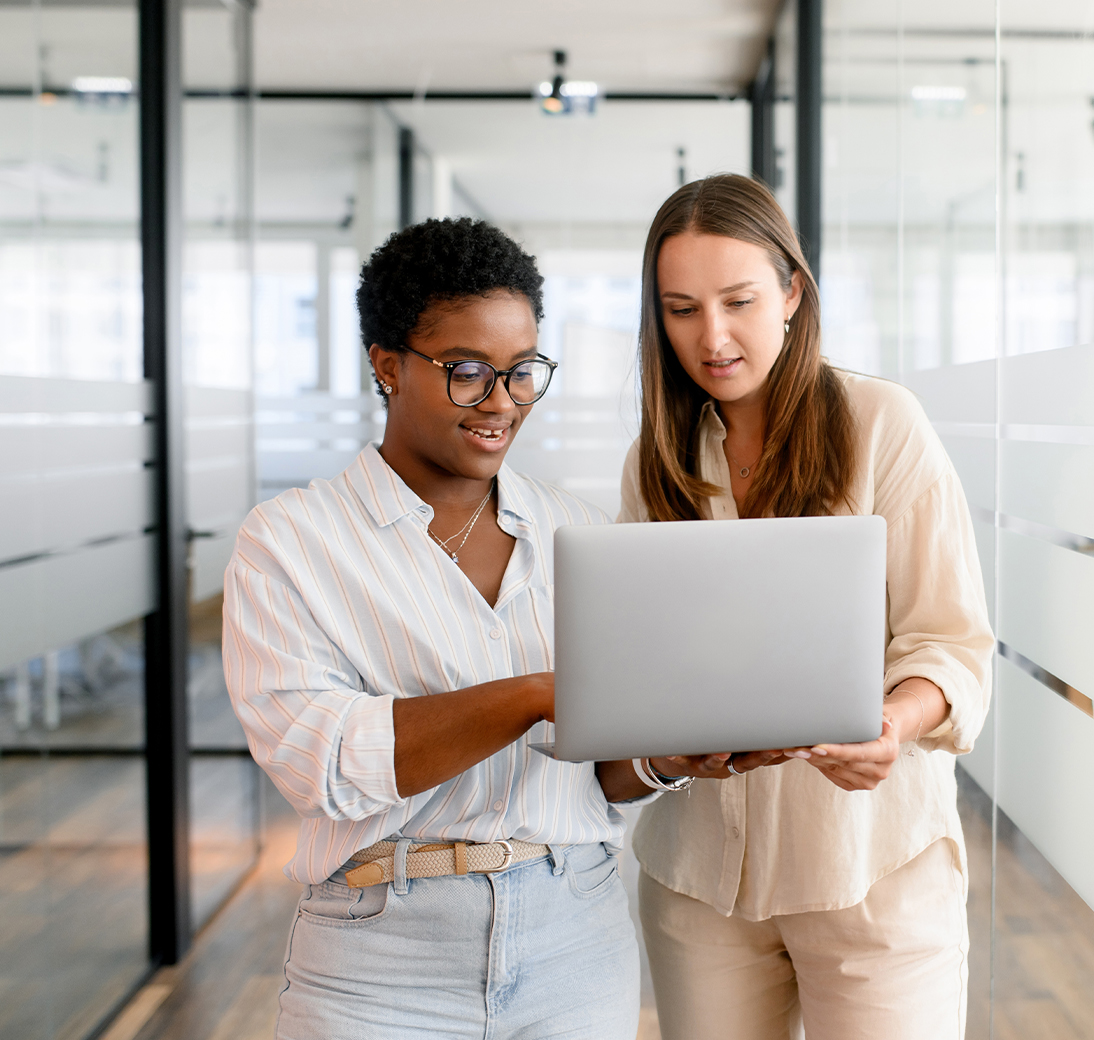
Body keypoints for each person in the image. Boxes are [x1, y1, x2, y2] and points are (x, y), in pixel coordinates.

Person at [222, 217, 652, 1039]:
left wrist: (671, 757)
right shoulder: (290, 543)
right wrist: (533, 695)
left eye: (523, 371)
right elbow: (324, 765)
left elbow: (607, 774)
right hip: (379, 959)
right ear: (386, 365)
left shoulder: (581, 535)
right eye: (467, 372)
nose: (501, 403)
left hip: (577, 936)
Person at [617, 174, 996, 1040]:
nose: (711, 337)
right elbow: (643, 654)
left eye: (739, 300)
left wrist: (894, 726)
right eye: (680, 310)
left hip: (872, 871)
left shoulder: (881, 424)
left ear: (792, 292)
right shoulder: (657, 458)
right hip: (700, 879)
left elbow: (951, 641)